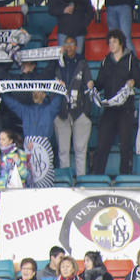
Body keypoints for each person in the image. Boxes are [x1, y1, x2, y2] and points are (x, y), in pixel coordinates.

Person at [91, 29, 140, 176]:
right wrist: (92, 85)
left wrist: (133, 81)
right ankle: (97, 177)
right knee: (102, 144)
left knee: (125, 146)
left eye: (114, 42)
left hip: (125, 109)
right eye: (109, 42)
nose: (111, 45)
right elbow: (100, 83)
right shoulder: (106, 61)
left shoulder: (131, 59)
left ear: (121, 42)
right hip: (110, 109)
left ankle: (125, 177)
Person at [55, 36, 94, 177]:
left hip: (79, 111)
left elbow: (90, 86)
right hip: (62, 112)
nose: (69, 46)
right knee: (63, 150)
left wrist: (86, 112)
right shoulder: (57, 62)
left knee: (80, 150)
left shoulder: (82, 63)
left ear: (76, 46)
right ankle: (65, 182)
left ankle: (81, 181)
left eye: (71, 44)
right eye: (66, 43)